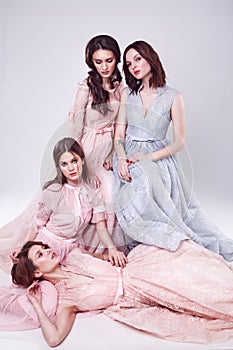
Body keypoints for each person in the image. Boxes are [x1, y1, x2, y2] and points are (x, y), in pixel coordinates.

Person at [113, 40, 233, 260]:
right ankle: (140, 242)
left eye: (138, 59)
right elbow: (119, 135)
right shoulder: (127, 93)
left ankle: (163, 242)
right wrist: (121, 159)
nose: (133, 67)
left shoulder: (173, 96)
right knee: (136, 184)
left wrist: (147, 157)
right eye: (129, 64)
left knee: (149, 182)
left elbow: (178, 142)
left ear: (151, 57)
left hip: (157, 157)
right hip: (127, 154)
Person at [6, 239, 233, 346]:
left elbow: (105, 257)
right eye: (41, 255)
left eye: (45, 248)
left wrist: (111, 255)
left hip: (141, 268)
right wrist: (36, 303)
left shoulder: (74, 256)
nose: (48, 251)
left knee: (199, 274)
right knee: (202, 299)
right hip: (137, 296)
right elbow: (54, 340)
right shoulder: (67, 301)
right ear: (36, 274)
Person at [10, 137, 127, 268]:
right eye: (64, 164)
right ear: (59, 167)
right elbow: (37, 224)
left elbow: (101, 227)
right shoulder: (54, 191)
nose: (71, 168)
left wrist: (112, 249)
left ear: (82, 160)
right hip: (47, 247)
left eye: (74, 161)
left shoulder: (92, 192)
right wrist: (23, 248)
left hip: (73, 250)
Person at [68, 35, 127, 252]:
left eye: (109, 60)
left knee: (112, 189)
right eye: (98, 61)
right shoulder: (85, 87)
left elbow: (122, 125)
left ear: (116, 59)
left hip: (109, 148)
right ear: (91, 62)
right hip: (87, 148)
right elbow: (76, 125)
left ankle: (112, 246)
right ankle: (94, 247)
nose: (104, 67)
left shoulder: (120, 87)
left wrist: (114, 154)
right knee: (92, 192)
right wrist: (78, 160)